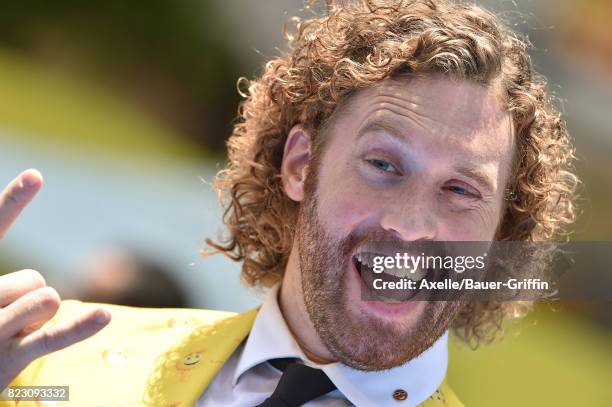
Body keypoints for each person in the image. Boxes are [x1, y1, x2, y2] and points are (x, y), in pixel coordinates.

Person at [0, 1, 578, 406]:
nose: (408, 225)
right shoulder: (56, 369)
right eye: (383, 165)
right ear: (301, 165)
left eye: (461, 191)